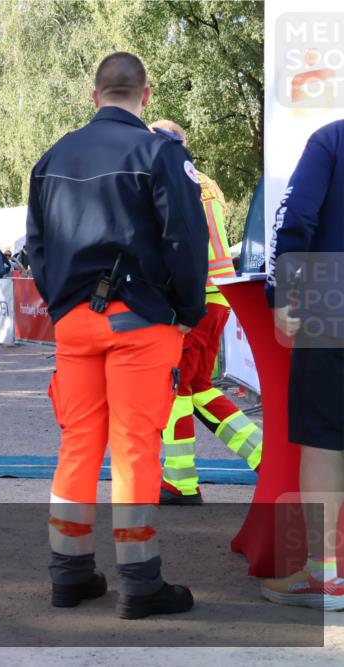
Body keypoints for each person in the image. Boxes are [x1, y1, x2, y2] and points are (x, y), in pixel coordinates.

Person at [26, 52, 208, 619]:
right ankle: (139, 581)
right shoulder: (160, 153)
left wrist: (64, 303)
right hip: (141, 322)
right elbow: (184, 239)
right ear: (145, 96)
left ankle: (70, 574)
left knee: (78, 445)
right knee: (135, 449)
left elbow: (36, 246)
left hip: (75, 324)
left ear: (94, 94)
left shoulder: (51, 158)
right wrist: (186, 311)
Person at [148, 120, 263, 505]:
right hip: (219, 295)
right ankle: (263, 454)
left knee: (178, 389)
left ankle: (180, 483)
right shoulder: (205, 181)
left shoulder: (172, 182)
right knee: (198, 387)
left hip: (195, 297)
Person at [260, 119, 344, 610]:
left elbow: (294, 219)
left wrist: (283, 294)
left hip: (332, 295)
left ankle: (325, 575)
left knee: (324, 439)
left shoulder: (331, 139)